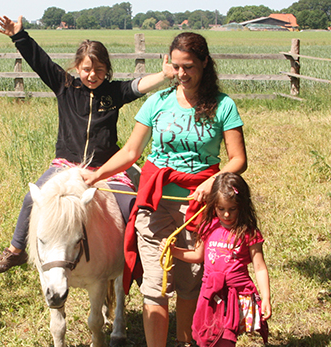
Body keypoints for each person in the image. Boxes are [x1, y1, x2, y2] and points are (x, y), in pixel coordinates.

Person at [82, 32, 247, 347]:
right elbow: (131, 152)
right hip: (154, 202)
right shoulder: (157, 102)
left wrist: (213, 181)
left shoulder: (223, 105)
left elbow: (238, 159)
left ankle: (186, 342)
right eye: (176, 66)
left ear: (205, 64)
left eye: (189, 66)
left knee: (190, 285)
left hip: (199, 206)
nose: (182, 74)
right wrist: (96, 175)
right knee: (154, 288)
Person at [0, 15, 174, 273]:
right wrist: (19, 36)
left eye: (98, 70)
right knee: (32, 198)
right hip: (65, 165)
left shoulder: (113, 93)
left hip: (106, 167)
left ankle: (136, 263)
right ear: (76, 67)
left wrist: (164, 75)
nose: (92, 75)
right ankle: (16, 250)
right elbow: (40, 62)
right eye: (86, 69)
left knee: (129, 207)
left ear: (107, 69)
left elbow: (138, 85)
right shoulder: (65, 87)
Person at [161, 172, 271, 347]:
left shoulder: (247, 232)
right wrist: (174, 252)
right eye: (221, 209)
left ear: (242, 206)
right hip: (209, 294)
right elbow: (198, 256)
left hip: (233, 295)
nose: (226, 214)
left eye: (232, 209)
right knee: (206, 338)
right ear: (213, 206)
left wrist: (266, 297)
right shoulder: (208, 226)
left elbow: (259, 267)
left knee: (225, 339)